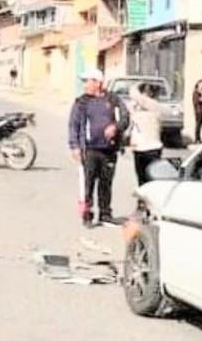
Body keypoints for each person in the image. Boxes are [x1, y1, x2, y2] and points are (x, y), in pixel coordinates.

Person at [68, 68, 131, 228]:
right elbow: (73, 124)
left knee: (106, 183)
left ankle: (105, 214)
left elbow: (125, 117)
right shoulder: (82, 102)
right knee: (87, 184)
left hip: (109, 150)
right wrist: (74, 146)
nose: (85, 85)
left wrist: (115, 128)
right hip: (89, 150)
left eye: (87, 81)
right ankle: (87, 215)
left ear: (98, 83)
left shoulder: (113, 99)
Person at [128, 82, 163, 186]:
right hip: (139, 148)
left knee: (151, 178)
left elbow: (134, 93)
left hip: (152, 148)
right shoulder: (136, 108)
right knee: (141, 178)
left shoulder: (155, 107)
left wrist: (138, 84)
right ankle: (142, 201)